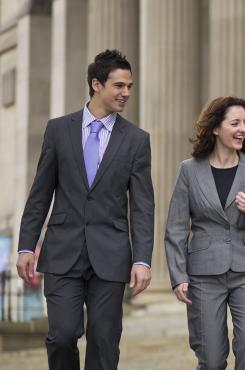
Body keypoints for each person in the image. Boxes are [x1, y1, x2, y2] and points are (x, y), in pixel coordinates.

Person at [16, 50, 154, 370]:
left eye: (129, 86)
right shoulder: (58, 130)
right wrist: (26, 245)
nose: (126, 93)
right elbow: (40, 194)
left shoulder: (136, 140)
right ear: (96, 84)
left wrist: (142, 259)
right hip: (63, 251)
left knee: (104, 341)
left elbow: (144, 205)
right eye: (119, 86)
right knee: (62, 336)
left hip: (111, 253)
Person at [165, 96, 245, 370]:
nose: (242, 128)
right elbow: (176, 227)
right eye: (235, 123)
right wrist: (178, 275)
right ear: (216, 128)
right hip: (203, 275)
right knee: (211, 358)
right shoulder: (189, 170)